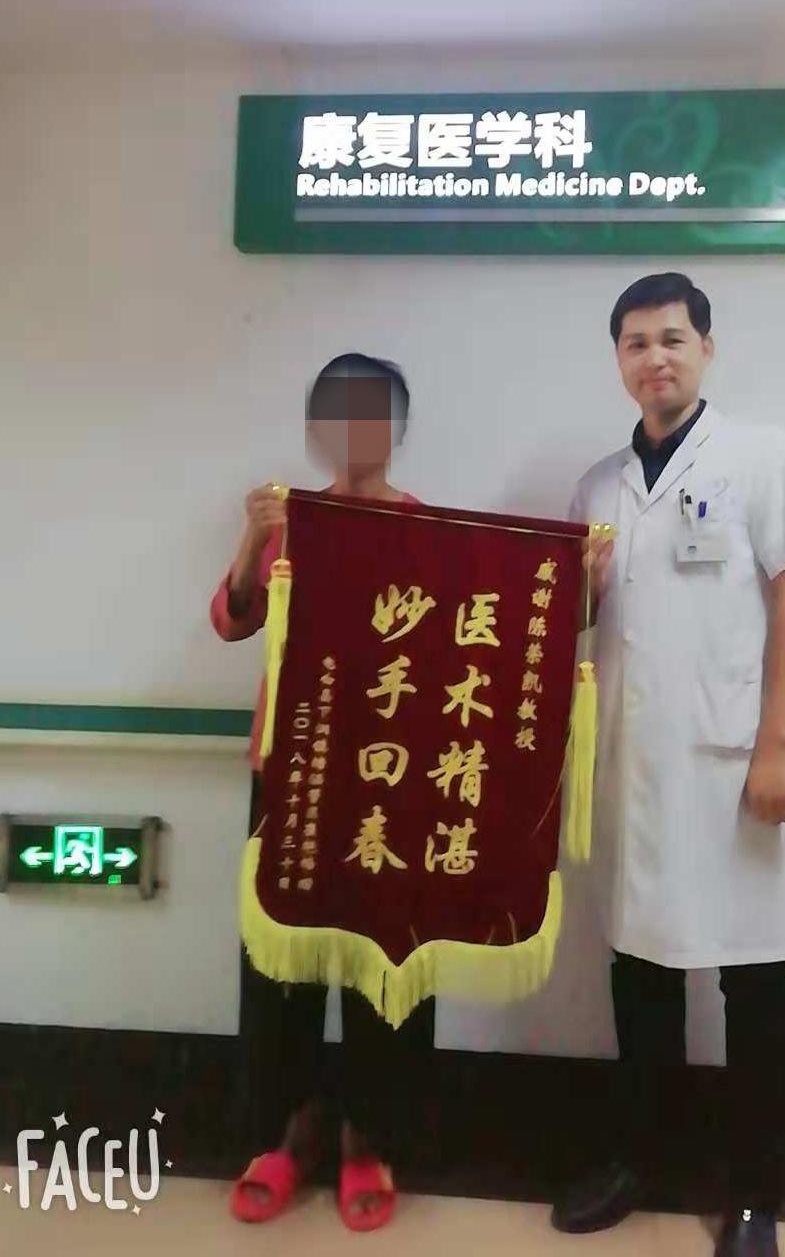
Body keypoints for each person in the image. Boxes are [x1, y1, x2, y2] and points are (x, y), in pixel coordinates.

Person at [553, 274, 785, 1257]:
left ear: (705, 348)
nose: (654, 358)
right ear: (617, 360)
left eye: (671, 338)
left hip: (730, 767)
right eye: (634, 342)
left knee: (752, 974)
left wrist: (778, 742)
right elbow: (577, 625)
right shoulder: (597, 486)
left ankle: (756, 1193)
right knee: (637, 969)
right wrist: (578, 591)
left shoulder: (761, 457)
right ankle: (640, 1157)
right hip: (628, 770)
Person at [210, 353, 434, 1231]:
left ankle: (370, 1135)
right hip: (289, 774)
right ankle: (287, 1129)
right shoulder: (286, 519)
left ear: (398, 429)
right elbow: (233, 619)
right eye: (337, 412)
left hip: (387, 780)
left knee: (384, 964)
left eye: (373, 412)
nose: (355, 429)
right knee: (280, 964)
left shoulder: (432, 530)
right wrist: (251, 537)